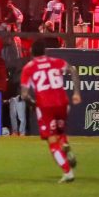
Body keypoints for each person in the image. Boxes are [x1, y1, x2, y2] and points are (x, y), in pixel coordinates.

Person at [20, 39, 82, 183]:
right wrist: (76, 93)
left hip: (46, 106)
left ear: (31, 52)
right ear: (45, 51)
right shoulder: (56, 61)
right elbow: (72, 70)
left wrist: (34, 104)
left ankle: (67, 172)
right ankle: (65, 145)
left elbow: (24, 95)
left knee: (52, 140)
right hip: (62, 103)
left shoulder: (29, 67)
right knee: (60, 132)